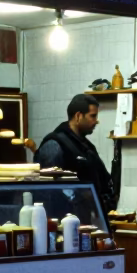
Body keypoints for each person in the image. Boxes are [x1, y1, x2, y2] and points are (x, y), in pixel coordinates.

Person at [35, 93, 113, 224]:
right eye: (92, 116)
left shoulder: (86, 147)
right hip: (64, 223)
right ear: (78, 116)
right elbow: (48, 191)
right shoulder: (54, 145)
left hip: (86, 221)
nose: (96, 121)